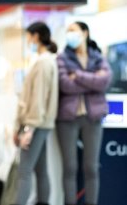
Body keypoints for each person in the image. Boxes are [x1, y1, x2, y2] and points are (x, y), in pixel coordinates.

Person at [56, 22, 112, 205]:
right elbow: (65, 85)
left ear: (85, 33)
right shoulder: (62, 58)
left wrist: (78, 75)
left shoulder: (97, 57)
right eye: (68, 31)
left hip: (93, 117)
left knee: (91, 167)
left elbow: (104, 82)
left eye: (73, 30)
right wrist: (91, 80)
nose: (70, 34)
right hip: (68, 118)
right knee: (70, 167)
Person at [12, 22, 59, 205]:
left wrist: (28, 129)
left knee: (24, 172)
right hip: (41, 122)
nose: (28, 40)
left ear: (36, 36)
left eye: (29, 36)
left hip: (35, 122)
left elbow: (38, 98)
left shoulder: (43, 63)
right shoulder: (45, 61)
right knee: (40, 170)